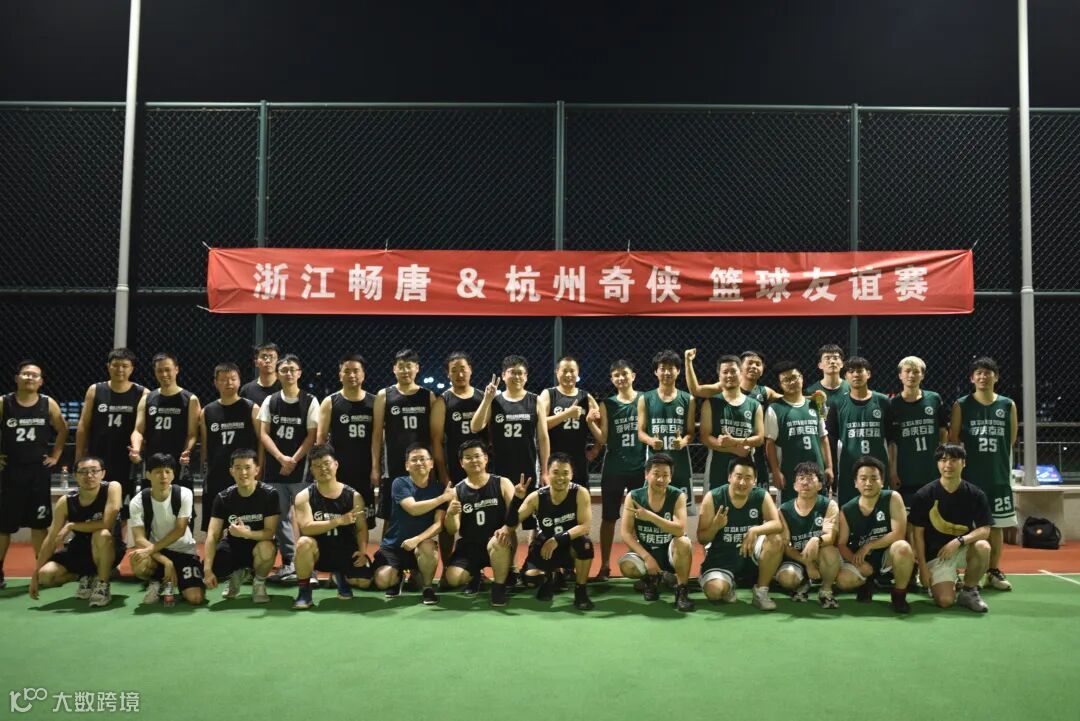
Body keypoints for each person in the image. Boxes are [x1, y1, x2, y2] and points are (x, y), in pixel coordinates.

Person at [470, 355, 551, 581]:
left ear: (526, 377)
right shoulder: (495, 400)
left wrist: (545, 470)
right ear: (503, 375)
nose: (516, 376)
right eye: (512, 372)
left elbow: (543, 438)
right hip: (501, 473)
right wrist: (487, 399)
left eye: (521, 373)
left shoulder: (534, 400)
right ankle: (511, 568)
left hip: (528, 471)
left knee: (534, 523)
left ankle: (533, 564)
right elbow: (475, 426)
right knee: (508, 521)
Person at [949, 356, 1018, 592]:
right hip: (970, 477)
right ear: (972, 378)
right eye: (978, 373)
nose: (983, 376)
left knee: (996, 526)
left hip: (998, 476)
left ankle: (993, 571)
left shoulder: (1007, 405)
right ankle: (958, 573)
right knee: (963, 526)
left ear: (995, 377)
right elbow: (954, 439)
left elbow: (1010, 439)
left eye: (988, 373)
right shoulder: (962, 404)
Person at [0, 360, 68, 588]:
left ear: (41, 381)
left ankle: (41, 569)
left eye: (34, 375)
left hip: (38, 473)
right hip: (10, 472)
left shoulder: (48, 403)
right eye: (25, 374)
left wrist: (55, 456)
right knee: (4, 526)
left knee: (39, 525)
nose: (29, 377)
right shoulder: (4, 403)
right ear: (17, 378)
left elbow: (62, 430)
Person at [28, 456, 125, 607]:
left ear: (103, 473)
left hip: (108, 548)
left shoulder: (112, 488)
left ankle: (102, 585)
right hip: (80, 551)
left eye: (94, 471)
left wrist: (71, 526)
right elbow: (51, 538)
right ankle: (85, 576)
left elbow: (107, 523)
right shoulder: (66, 501)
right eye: (83, 472)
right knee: (46, 576)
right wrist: (35, 575)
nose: (89, 475)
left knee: (101, 534)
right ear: (75, 475)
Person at [909, 443, 992, 612]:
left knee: (983, 546)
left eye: (954, 460)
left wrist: (959, 541)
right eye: (943, 460)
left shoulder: (976, 494)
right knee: (945, 601)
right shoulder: (924, 495)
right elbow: (917, 535)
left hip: (962, 549)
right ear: (937, 464)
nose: (948, 464)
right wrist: (922, 568)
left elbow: (985, 530)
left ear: (964, 463)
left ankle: (969, 591)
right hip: (937, 555)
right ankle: (946, 581)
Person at [257, 354, 318, 582]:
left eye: (293, 369)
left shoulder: (310, 400)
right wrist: (281, 458)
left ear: (299, 373)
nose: (289, 373)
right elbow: (264, 434)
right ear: (277, 374)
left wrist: (293, 460)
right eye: (284, 370)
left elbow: (312, 435)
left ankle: (309, 567)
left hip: (301, 470)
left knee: (304, 518)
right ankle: (290, 563)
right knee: (280, 516)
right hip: (275, 469)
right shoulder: (270, 401)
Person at [697, 457, 783, 611]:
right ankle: (728, 585)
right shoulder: (713, 497)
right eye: (738, 477)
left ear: (754, 481)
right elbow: (702, 538)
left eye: (748, 478)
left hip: (750, 553)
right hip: (722, 557)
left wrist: (755, 530)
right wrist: (715, 526)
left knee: (776, 539)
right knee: (714, 592)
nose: (742, 483)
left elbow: (777, 524)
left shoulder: (761, 495)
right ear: (730, 477)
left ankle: (761, 592)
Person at [292, 444, 372, 609]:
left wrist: (363, 551)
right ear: (311, 470)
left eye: (326, 463)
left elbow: (361, 528)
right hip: (319, 552)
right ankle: (304, 592)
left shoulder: (354, 496)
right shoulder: (304, 496)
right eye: (317, 466)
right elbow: (306, 528)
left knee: (364, 581)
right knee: (303, 543)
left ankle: (340, 576)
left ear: (336, 464)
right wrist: (338, 521)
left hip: (345, 551)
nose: (323, 469)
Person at [513, 453, 595, 611]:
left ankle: (581, 591)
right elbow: (513, 521)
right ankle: (550, 577)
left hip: (568, 545)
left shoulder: (580, 493)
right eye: (556, 472)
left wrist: (557, 539)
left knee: (585, 544)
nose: (560, 478)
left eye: (565, 473)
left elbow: (585, 526)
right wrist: (517, 499)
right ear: (547, 474)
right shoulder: (536, 497)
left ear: (572, 475)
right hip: (545, 547)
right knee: (531, 580)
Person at [372, 444, 453, 605]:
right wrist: (442, 499)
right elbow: (413, 509)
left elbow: (438, 525)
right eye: (414, 460)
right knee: (382, 581)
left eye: (423, 459)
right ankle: (398, 577)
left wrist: (417, 539)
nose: (419, 463)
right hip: (394, 546)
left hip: (420, 546)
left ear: (431, 463)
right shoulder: (399, 483)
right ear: (407, 465)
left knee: (428, 547)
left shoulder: (438, 488)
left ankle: (427, 588)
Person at [371, 350, 444, 525]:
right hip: (394, 464)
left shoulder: (427, 395)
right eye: (401, 367)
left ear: (417, 368)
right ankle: (388, 545)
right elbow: (376, 434)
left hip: (422, 464)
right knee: (391, 516)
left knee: (423, 513)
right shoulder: (384, 395)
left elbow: (435, 435)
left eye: (409, 366)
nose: (405, 371)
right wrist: (375, 467)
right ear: (394, 369)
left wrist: (435, 466)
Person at [835, 455, 915, 613]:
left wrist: (868, 546)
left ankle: (899, 595)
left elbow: (899, 533)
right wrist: (857, 562)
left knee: (903, 548)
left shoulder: (892, 497)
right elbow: (841, 544)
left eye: (874, 478)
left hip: (887, 554)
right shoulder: (847, 509)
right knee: (843, 581)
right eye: (863, 478)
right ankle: (868, 582)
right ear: (855, 482)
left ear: (882, 481)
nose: (868, 483)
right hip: (863, 558)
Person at [74, 348, 148, 519]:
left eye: (125, 366)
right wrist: (79, 455)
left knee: (123, 511)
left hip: (126, 459)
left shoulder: (142, 393)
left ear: (132, 368)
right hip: (98, 456)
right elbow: (83, 425)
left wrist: (139, 451)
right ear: (108, 366)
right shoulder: (95, 390)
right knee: (94, 505)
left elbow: (143, 429)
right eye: (116, 365)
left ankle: (119, 536)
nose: (120, 369)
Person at [442, 440, 516, 607]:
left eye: (477, 456)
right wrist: (450, 514)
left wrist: (507, 527)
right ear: (461, 463)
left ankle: (499, 587)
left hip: (496, 543)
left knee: (499, 540)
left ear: (486, 458)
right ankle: (475, 576)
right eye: (468, 457)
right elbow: (452, 529)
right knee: (453, 578)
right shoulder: (456, 491)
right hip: (469, 546)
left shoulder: (502, 483)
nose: (473, 460)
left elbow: (515, 517)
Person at [617, 453, 695, 611]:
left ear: (670, 478)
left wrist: (650, 516)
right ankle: (651, 580)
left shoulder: (677, 496)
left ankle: (681, 591)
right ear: (646, 475)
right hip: (646, 550)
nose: (660, 479)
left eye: (665, 475)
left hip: (670, 551)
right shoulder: (634, 496)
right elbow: (625, 533)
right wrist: (647, 558)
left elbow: (680, 530)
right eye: (656, 474)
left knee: (684, 543)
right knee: (627, 566)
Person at [203, 448, 280, 603]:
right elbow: (212, 535)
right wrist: (207, 569)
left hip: (258, 544)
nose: (243, 473)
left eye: (247, 467)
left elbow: (269, 532)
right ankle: (236, 575)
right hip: (233, 546)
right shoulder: (223, 498)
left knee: (267, 549)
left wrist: (246, 533)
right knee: (215, 561)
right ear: (231, 471)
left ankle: (259, 583)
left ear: (257, 470)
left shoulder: (270, 494)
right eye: (238, 468)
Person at [128, 453, 204, 606]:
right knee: (138, 561)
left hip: (184, 551)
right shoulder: (138, 501)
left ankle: (179, 580)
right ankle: (156, 581)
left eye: (167, 471)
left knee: (196, 598)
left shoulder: (184, 494)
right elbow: (139, 538)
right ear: (148, 475)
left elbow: (180, 530)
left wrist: (155, 552)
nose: (163, 476)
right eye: (158, 472)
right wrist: (166, 561)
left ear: (173, 474)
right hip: (158, 552)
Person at [594, 359, 646, 580]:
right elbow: (604, 438)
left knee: (641, 519)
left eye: (624, 374)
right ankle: (605, 565)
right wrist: (590, 423)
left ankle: (642, 562)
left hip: (640, 467)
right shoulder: (608, 404)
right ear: (612, 379)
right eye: (616, 375)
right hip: (614, 468)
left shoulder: (645, 399)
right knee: (609, 518)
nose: (621, 378)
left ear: (633, 376)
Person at [685, 350, 763, 495]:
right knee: (713, 505)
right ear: (719, 376)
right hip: (717, 466)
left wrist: (735, 441)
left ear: (741, 373)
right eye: (725, 372)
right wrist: (733, 449)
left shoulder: (754, 405)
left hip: (746, 467)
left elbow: (759, 439)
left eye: (733, 371)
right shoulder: (710, 403)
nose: (729, 375)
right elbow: (705, 437)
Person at [129, 352, 200, 499]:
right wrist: (136, 449)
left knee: (181, 505)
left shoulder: (190, 399)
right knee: (150, 506)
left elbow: (192, 434)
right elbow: (138, 430)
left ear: (176, 369)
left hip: (178, 463)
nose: (164, 374)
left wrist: (187, 451)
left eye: (168, 369)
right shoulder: (147, 399)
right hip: (152, 461)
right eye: (159, 371)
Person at [316, 354, 375, 529]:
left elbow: (378, 437)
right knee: (338, 517)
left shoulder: (374, 401)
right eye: (347, 371)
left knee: (363, 520)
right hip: (339, 469)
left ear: (363, 374)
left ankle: (362, 547)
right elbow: (321, 439)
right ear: (340, 375)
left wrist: (376, 467)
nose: (352, 375)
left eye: (356, 371)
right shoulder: (330, 402)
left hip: (365, 468)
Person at [825, 356, 894, 506]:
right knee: (848, 511)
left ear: (868, 374)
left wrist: (893, 471)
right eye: (851, 371)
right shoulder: (837, 403)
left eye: (860, 371)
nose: (856, 374)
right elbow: (830, 440)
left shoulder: (883, 401)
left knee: (880, 510)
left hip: (878, 470)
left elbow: (892, 441)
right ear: (845, 376)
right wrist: (831, 469)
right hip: (848, 470)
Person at [198, 362, 259, 531]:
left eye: (233, 379)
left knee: (247, 524)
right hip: (216, 474)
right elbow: (205, 446)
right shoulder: (207, 411)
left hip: (244, 474)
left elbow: (261, 442)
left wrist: (259, 468)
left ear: (239, 381)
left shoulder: (252, 408)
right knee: (214, 526)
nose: (229, 383)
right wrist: (204, 473)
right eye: (224, 379)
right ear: (216, 382)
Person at [775, 461, 841, 608]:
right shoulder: (783, 510)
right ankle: (802, 583)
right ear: (795, 485)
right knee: (786, 579)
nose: (805, 482)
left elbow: (831, 537)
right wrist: (807, 564)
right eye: (801, 478)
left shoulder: (829, 505)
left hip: (819, 555)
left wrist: (816, 540)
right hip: (797, 557)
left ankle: (826, 591)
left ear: (820, 485)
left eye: (810, 478)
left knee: (831, 552)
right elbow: (786, 546)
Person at [765, 361, 833, 502]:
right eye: (786, 380)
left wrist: (829, 467)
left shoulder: (815, 404)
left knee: (820, 508)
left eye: (794, 377)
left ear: (801, 378)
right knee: (791, 510)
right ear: (780, 385)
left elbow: (823, 437)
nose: (792, 382)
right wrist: (776, 472)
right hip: (790, 471)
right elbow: (770, 443)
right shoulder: (775, 409)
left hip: (817, 470)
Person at [637, 350, 696, 513]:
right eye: (663, 368)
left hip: (680, 464)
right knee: (651, 510)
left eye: (671, 368)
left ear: (678, 371)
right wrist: (650, 441)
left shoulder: (688, 399)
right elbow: (640, 432)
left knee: (681, 511)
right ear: (656, 371)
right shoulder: (645, 398)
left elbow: (691, 432)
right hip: (655, 463)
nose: (667, 372)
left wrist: (683, 441)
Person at [888, 356, 950, 506]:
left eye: (916, 372)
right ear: (900, 375)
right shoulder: (893, 404)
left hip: (931, 470)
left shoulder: (934, 399)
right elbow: (892, 442)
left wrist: (942, 458)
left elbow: (943, 431)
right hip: (906, 473)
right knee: (908, 515)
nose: (911, 375)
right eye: (907, 371)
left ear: (922, 375)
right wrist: (893, 472)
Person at [538, 355, 602, 490]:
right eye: (564, 371)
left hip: (579, 462)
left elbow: (602, 426)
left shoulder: (586, 397)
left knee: (581, 499)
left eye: (572, 371)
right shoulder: (549, 394)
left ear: (577, 373)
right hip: (553, 460)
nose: (568, 375)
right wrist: (566, 414)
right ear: (557, 372)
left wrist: (596, 448)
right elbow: (540, 424)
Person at [433, 352, 485, 485]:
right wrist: (443, 473)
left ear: (470, 370)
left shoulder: (483, 398)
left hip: (482, 463)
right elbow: (436, 441)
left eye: (463, 369)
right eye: (454, 371)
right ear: (448, 374)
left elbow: (492, 435)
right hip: (455, 464)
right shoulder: (442, 401)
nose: (460, 375)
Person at [805, 343, 850, 416]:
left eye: (836, 358)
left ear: (842, 364)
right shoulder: (811, 392)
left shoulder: (851, 388)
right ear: (820, 365)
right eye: (827, 358)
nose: (832, 362)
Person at [239, 342, 282, 407]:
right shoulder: (247, 390)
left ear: (278, 361)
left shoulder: (285, 387)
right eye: (264, 357)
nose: (268, 360)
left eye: (271, 357)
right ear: (256, 362)